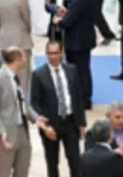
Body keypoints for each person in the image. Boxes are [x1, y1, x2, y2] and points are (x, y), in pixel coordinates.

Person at [0, 48, 46, 177]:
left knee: (23, 168)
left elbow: (23, 102)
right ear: (17, 58)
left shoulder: (17, 76)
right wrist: (1, 131)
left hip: (22, 129)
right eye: (24, 56)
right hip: (6, 133)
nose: (26, 59)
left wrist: (35, 118)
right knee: (4, 171)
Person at [29, 41, 85, 177]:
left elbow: (78, 97)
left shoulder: (71, 70)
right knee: (52, 163)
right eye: (50, 53)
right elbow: (35, 103)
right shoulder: (38, 74)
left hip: (70, 123)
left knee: (75, 161)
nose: (53, 56)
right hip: (51, 125)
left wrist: (82, 123)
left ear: (61, 53)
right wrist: (45, 126)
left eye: (55, 53)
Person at [56, 0, 97, 109]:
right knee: (83, 70)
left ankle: (84, 100)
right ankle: (83, 97)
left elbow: (68, 22)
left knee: (80, 71)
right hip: (82, 39)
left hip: (78, 41)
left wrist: (59, 21)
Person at [0, 0, 33, 92]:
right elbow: (26, 17)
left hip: (4, 37)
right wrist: (28, 29)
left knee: (6, 73)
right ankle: (22, 100)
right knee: (23, 75)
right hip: (20, 38)